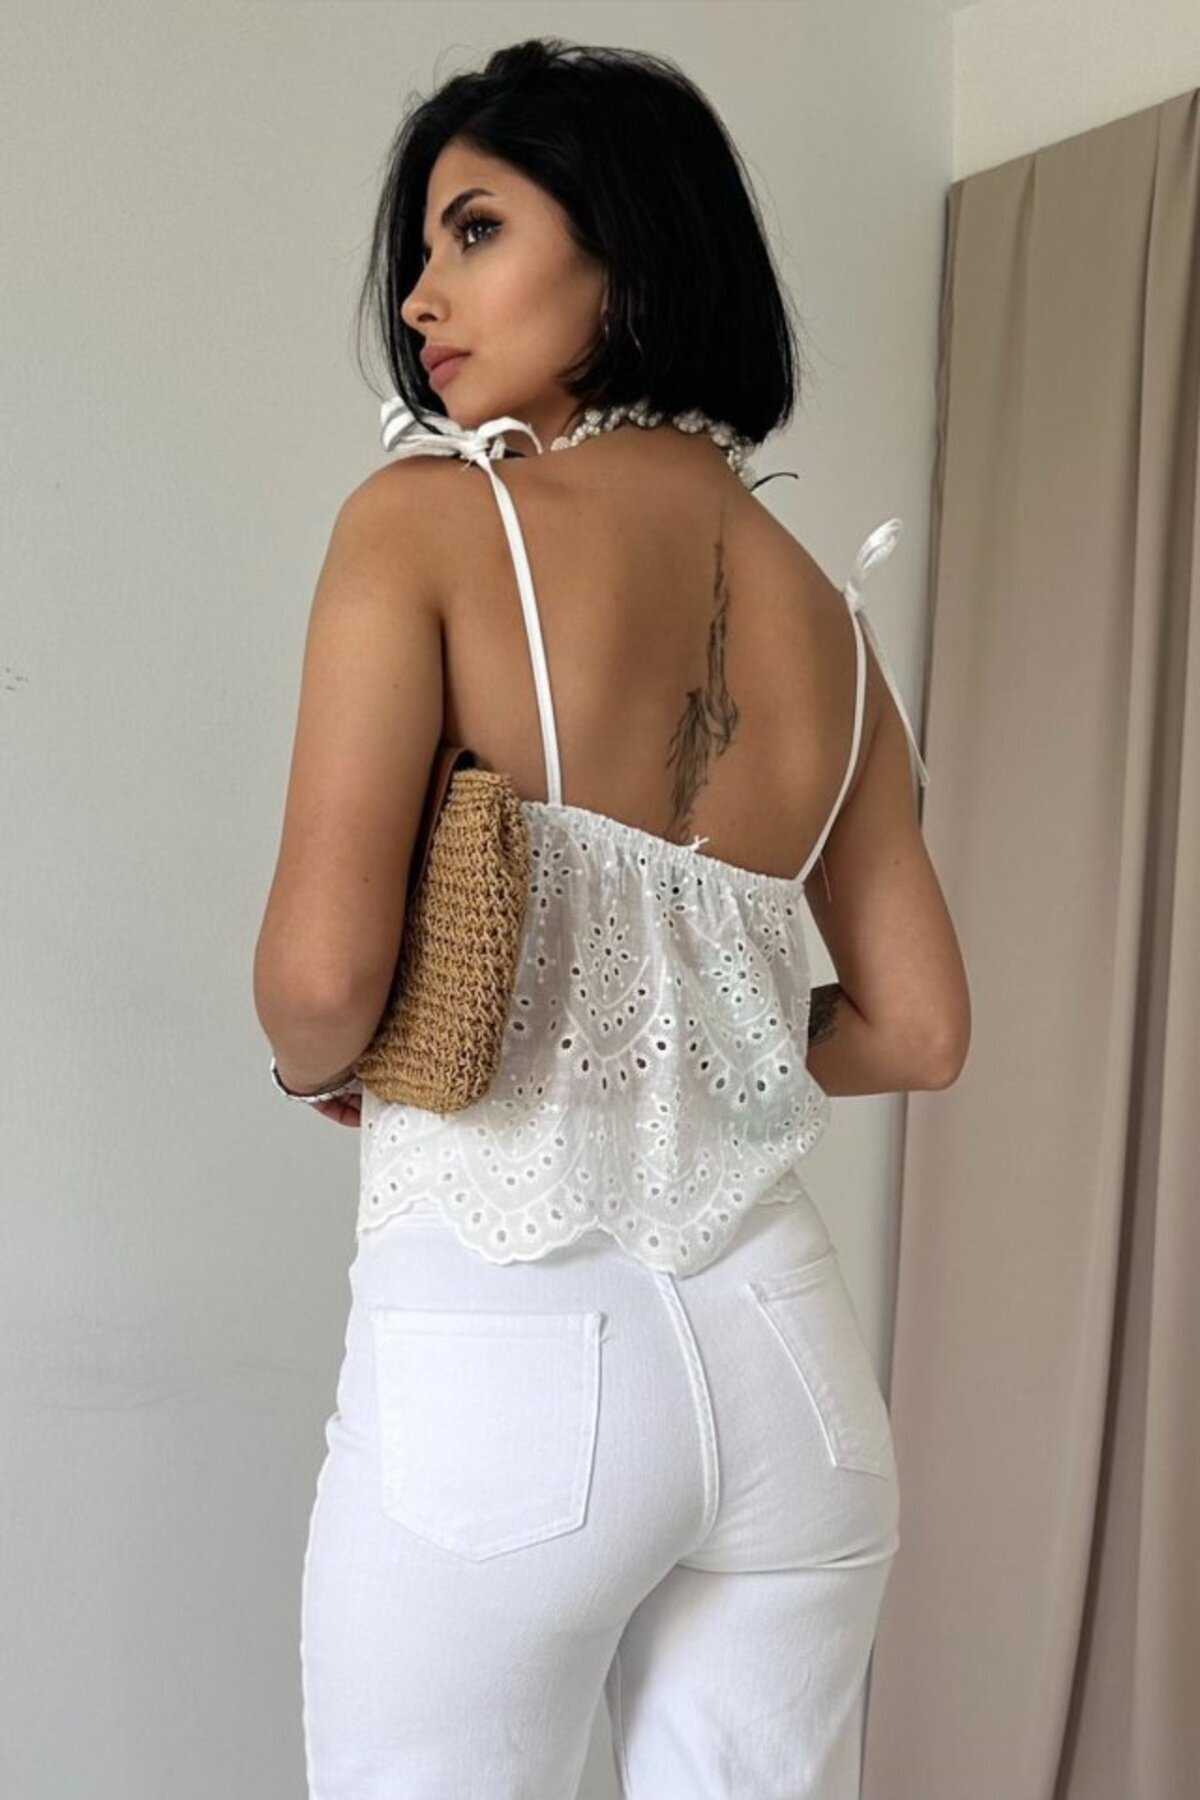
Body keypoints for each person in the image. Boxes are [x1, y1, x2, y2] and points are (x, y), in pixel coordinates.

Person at [257, 36, 970, 1800]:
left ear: (627, 250)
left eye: (477, 228)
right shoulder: (833, 628)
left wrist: (321, 1058)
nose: (420, 296)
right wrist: (693, 1037)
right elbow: (921, 1028)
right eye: (422, 247)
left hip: (506, 1358)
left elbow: (321, 985)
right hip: (791, 1377)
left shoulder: (427, 526)